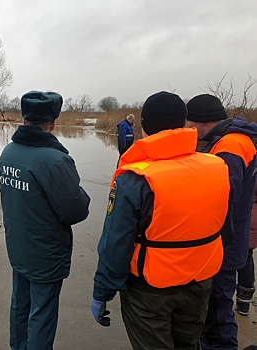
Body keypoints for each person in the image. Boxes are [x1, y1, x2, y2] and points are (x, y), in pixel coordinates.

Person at [92, 91, 231, 350]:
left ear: (144, 127)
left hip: (150, 291)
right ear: (184, 124)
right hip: (200, 281)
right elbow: (225, 225)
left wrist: (102, 291)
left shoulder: (134, 179)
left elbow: (115, 244)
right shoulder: (217, 166)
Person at [0, 90, 90, 350]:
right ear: (53, 123)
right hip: (45, 254)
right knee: (42, 314)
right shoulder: (56, 160)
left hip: (18, 247)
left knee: (20, 305)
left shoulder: (8, 154)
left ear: (24, 120)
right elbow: (75, 210)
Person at [185, 93, 257, 350]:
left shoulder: (230, 146)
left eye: (188, 124)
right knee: (218, 310)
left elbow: (223, 197)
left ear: (200, 122)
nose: (186, 130)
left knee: (217, 316)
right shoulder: (234, 139)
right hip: (230, 240)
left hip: (222, 246)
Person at [236, 183, 257, 316]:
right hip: (251, 216)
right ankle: (244, 301)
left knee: (229, 258)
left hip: (243, 215)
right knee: (246, 258)